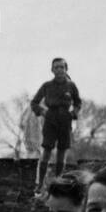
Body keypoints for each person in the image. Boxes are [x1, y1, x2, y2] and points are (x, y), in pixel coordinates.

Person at [31, 58, 82, 195]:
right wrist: (42, 112)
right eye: (56, 67)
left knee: (62, 152)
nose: (59, 70)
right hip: (50, 119)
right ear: (52, 70)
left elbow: (78, 102)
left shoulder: (71, 86)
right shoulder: (47, 86)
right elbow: (34, 102)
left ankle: (58, 182)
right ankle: (40, 184)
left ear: (66, 69)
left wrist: (73, 113)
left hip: (65, 119)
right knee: (46, 151)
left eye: (62, 67)